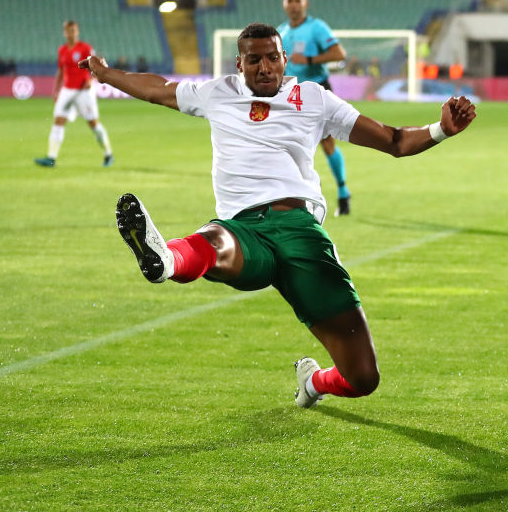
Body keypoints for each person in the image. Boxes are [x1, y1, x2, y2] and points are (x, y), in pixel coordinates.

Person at [81, 22, 476, 408]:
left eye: (272, 58)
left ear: (285, 59)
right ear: (239, 64)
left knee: (363, 377)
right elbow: (158, 90)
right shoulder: (217, 93)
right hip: (244, 228)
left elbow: (394, 141)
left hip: (301, 230)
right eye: (254, 60)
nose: (264, 67)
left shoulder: (314, 98)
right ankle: (165, 259)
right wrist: (104, 73)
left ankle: (314, 381)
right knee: (216, 242)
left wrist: (440, 130)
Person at [277, 0, 353, 216]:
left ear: (306, 4)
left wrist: (310, 59)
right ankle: (293, 201)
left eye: (298, 1)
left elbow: (340, 54)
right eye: (290, 1)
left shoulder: (317, 28)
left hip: (318, 92)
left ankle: (342, 193)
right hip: (290, 95)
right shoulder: (281, 32)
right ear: (284, 5)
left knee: (327, 144)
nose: (294, 5)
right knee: (286, 147)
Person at [34, 20, 114, 168]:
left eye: (73, 30)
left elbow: (96, 66)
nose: (71, 33)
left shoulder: (85, 48)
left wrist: (91, 79)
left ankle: (108, 154)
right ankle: (51, 158)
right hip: (67, 90)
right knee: (58, 120)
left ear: (77, 32)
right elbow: (60, 71)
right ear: (65, 32)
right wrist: (56, 90)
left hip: (84, 91)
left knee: (93, 124)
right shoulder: (62, 50)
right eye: (68, 31)